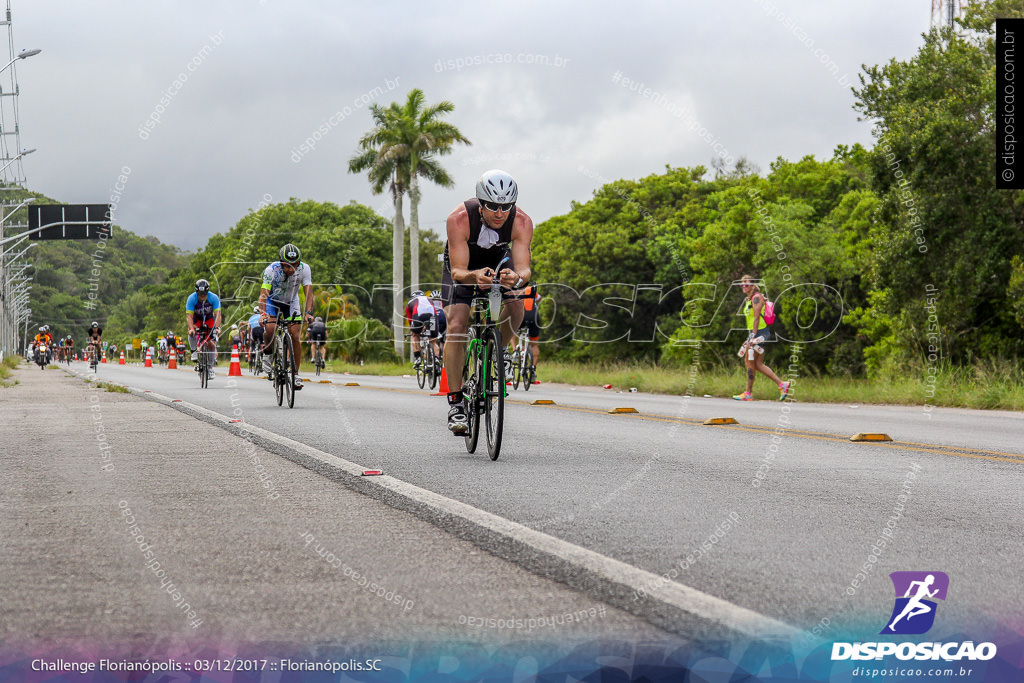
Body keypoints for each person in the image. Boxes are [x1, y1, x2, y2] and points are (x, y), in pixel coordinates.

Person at [441, 169, 534, 434]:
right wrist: (473, 276)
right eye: (492, 206)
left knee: (517, 305)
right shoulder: (459, 219)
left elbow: (524, 269)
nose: (499, 212)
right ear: (480, 203)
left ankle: (498, 350)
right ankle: (456, 403)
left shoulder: (521, 222)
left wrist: (516, 278)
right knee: (457, 325)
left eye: (506, 206)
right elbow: (458, 271)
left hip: (499, 259)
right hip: (464, 264)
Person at [258, 243, 314, 389]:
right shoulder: (271, 270)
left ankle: (295, 374)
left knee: (295, 336)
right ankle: (268, 353)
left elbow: (308, 292)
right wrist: (262, 314)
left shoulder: (305, 268)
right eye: (287, 266)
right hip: (272, 301)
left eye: (294, 265)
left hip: (291, 301)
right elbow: (263, 295)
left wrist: (308, 313)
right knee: (270, 328)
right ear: (281, 263)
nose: (291, 269)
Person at [733, 275, 790, 401]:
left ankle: (748, 393)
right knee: (757, 364)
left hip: (760, 334)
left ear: (753, 285)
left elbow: (757, 318)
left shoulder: (756, 298)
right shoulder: (749, 299)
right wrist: (749, 337)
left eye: (746, 283)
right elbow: (752, 320)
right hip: (755, 334)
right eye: (741, 284)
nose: (743, 286)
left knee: (749, 362)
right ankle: (782, 384)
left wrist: (752, 337)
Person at [185, 279, 222, 381]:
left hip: (209, 320)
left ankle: (210, 367)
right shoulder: (191, 299)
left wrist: (217, 328)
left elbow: (218, 315)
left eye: (204, 294)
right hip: (197, 320)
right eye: (200, 294)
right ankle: (194, 351)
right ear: (196, 292)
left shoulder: (213, 298)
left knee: (211, 343)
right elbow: (189, 316)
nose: (202, 296)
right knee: (191, 331)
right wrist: (192, 328)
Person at [406, 290, 441, 369]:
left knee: (415, 336)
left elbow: (410, 320)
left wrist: (415, 331)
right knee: (433, 340)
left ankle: (418, 358)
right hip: (432, 316)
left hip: (418, 315)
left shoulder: (410, 303)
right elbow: (435, 313)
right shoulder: (429, 299)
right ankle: (436, 358)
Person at [515, 284, 541, 381]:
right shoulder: (531, 289)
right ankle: (533, 369)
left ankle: (514, 351)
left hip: (521, 314)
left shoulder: (514, 288)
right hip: (534, 316)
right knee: (534, 345)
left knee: (512, 330)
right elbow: (539, 299)